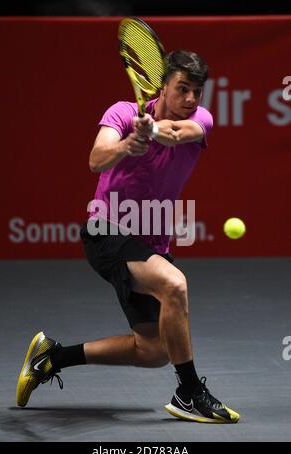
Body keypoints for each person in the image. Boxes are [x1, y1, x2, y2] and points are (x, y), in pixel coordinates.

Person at [16, 50, 240, 423]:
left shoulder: (201, 119)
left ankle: (52, 357)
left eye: (196, 91)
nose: (190, 99)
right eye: (182, 89)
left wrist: (148, 131)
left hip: (151, 244)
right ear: (162, 86)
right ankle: (190, 393)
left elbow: (173, 135)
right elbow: (95, 159)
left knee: (154, 351)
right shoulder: (121, 112)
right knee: (175, 285)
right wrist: (125, 146)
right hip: (107, 231)